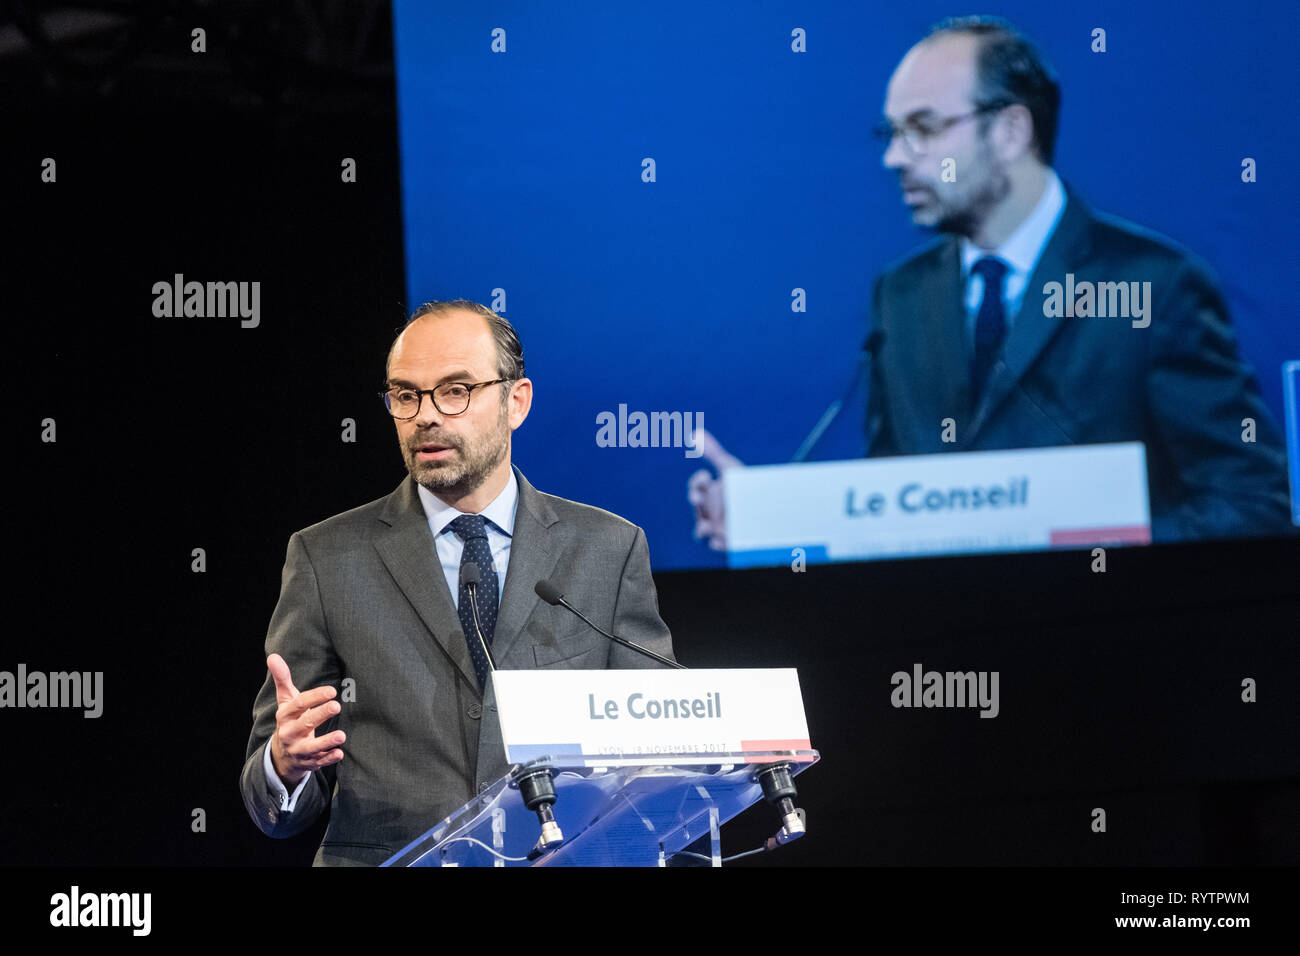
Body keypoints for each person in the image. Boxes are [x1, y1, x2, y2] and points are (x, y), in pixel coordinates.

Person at [690, 16, 1292, 549]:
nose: (895, 158)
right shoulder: (902, 296)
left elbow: (1254, 503)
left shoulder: (1155, 286)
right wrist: (772, 520)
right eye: (890, 133)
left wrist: (1090, 549)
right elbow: (892, 507)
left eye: (923, 127)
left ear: (1010, 131)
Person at [240, 300, 676, 866]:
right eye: (406, 395)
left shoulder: (609, 550)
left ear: (516, 402)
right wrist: (284, 764)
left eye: (455, 391)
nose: (426, 415)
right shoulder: (326, 558)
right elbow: (272, 802)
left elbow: (657, 747)